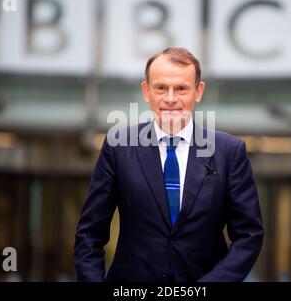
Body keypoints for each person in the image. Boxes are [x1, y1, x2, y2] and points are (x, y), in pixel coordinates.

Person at [74, 47, 264, 282]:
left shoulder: (229, 152)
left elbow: (249, 235)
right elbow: (89, 234)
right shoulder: (119, 147)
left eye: (182, 88)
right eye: (161, 87)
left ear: (198, 91)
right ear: (147, 91)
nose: (171, 98)